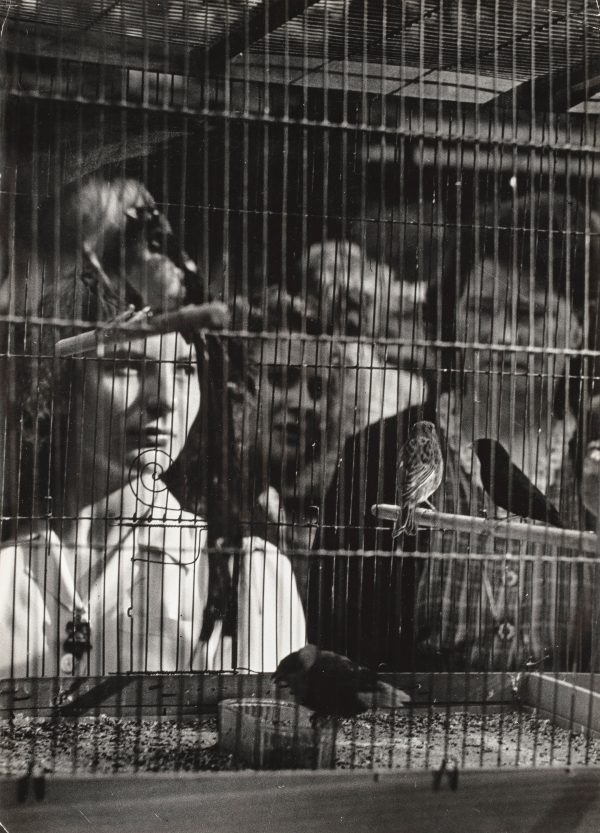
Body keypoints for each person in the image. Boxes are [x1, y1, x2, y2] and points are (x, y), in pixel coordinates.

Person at [0, 177, 305, 679]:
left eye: (185, 371)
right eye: (126, 366)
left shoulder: (245, 578)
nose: (165, 400)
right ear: (57, 384)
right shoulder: (11, 564)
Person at [309, 194, 599, 673]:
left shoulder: (590, 459)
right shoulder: (379, 455)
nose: (503, 336)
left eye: (531, 315)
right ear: (452, 318)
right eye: (483, 309)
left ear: (578, 330)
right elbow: (337, 638)